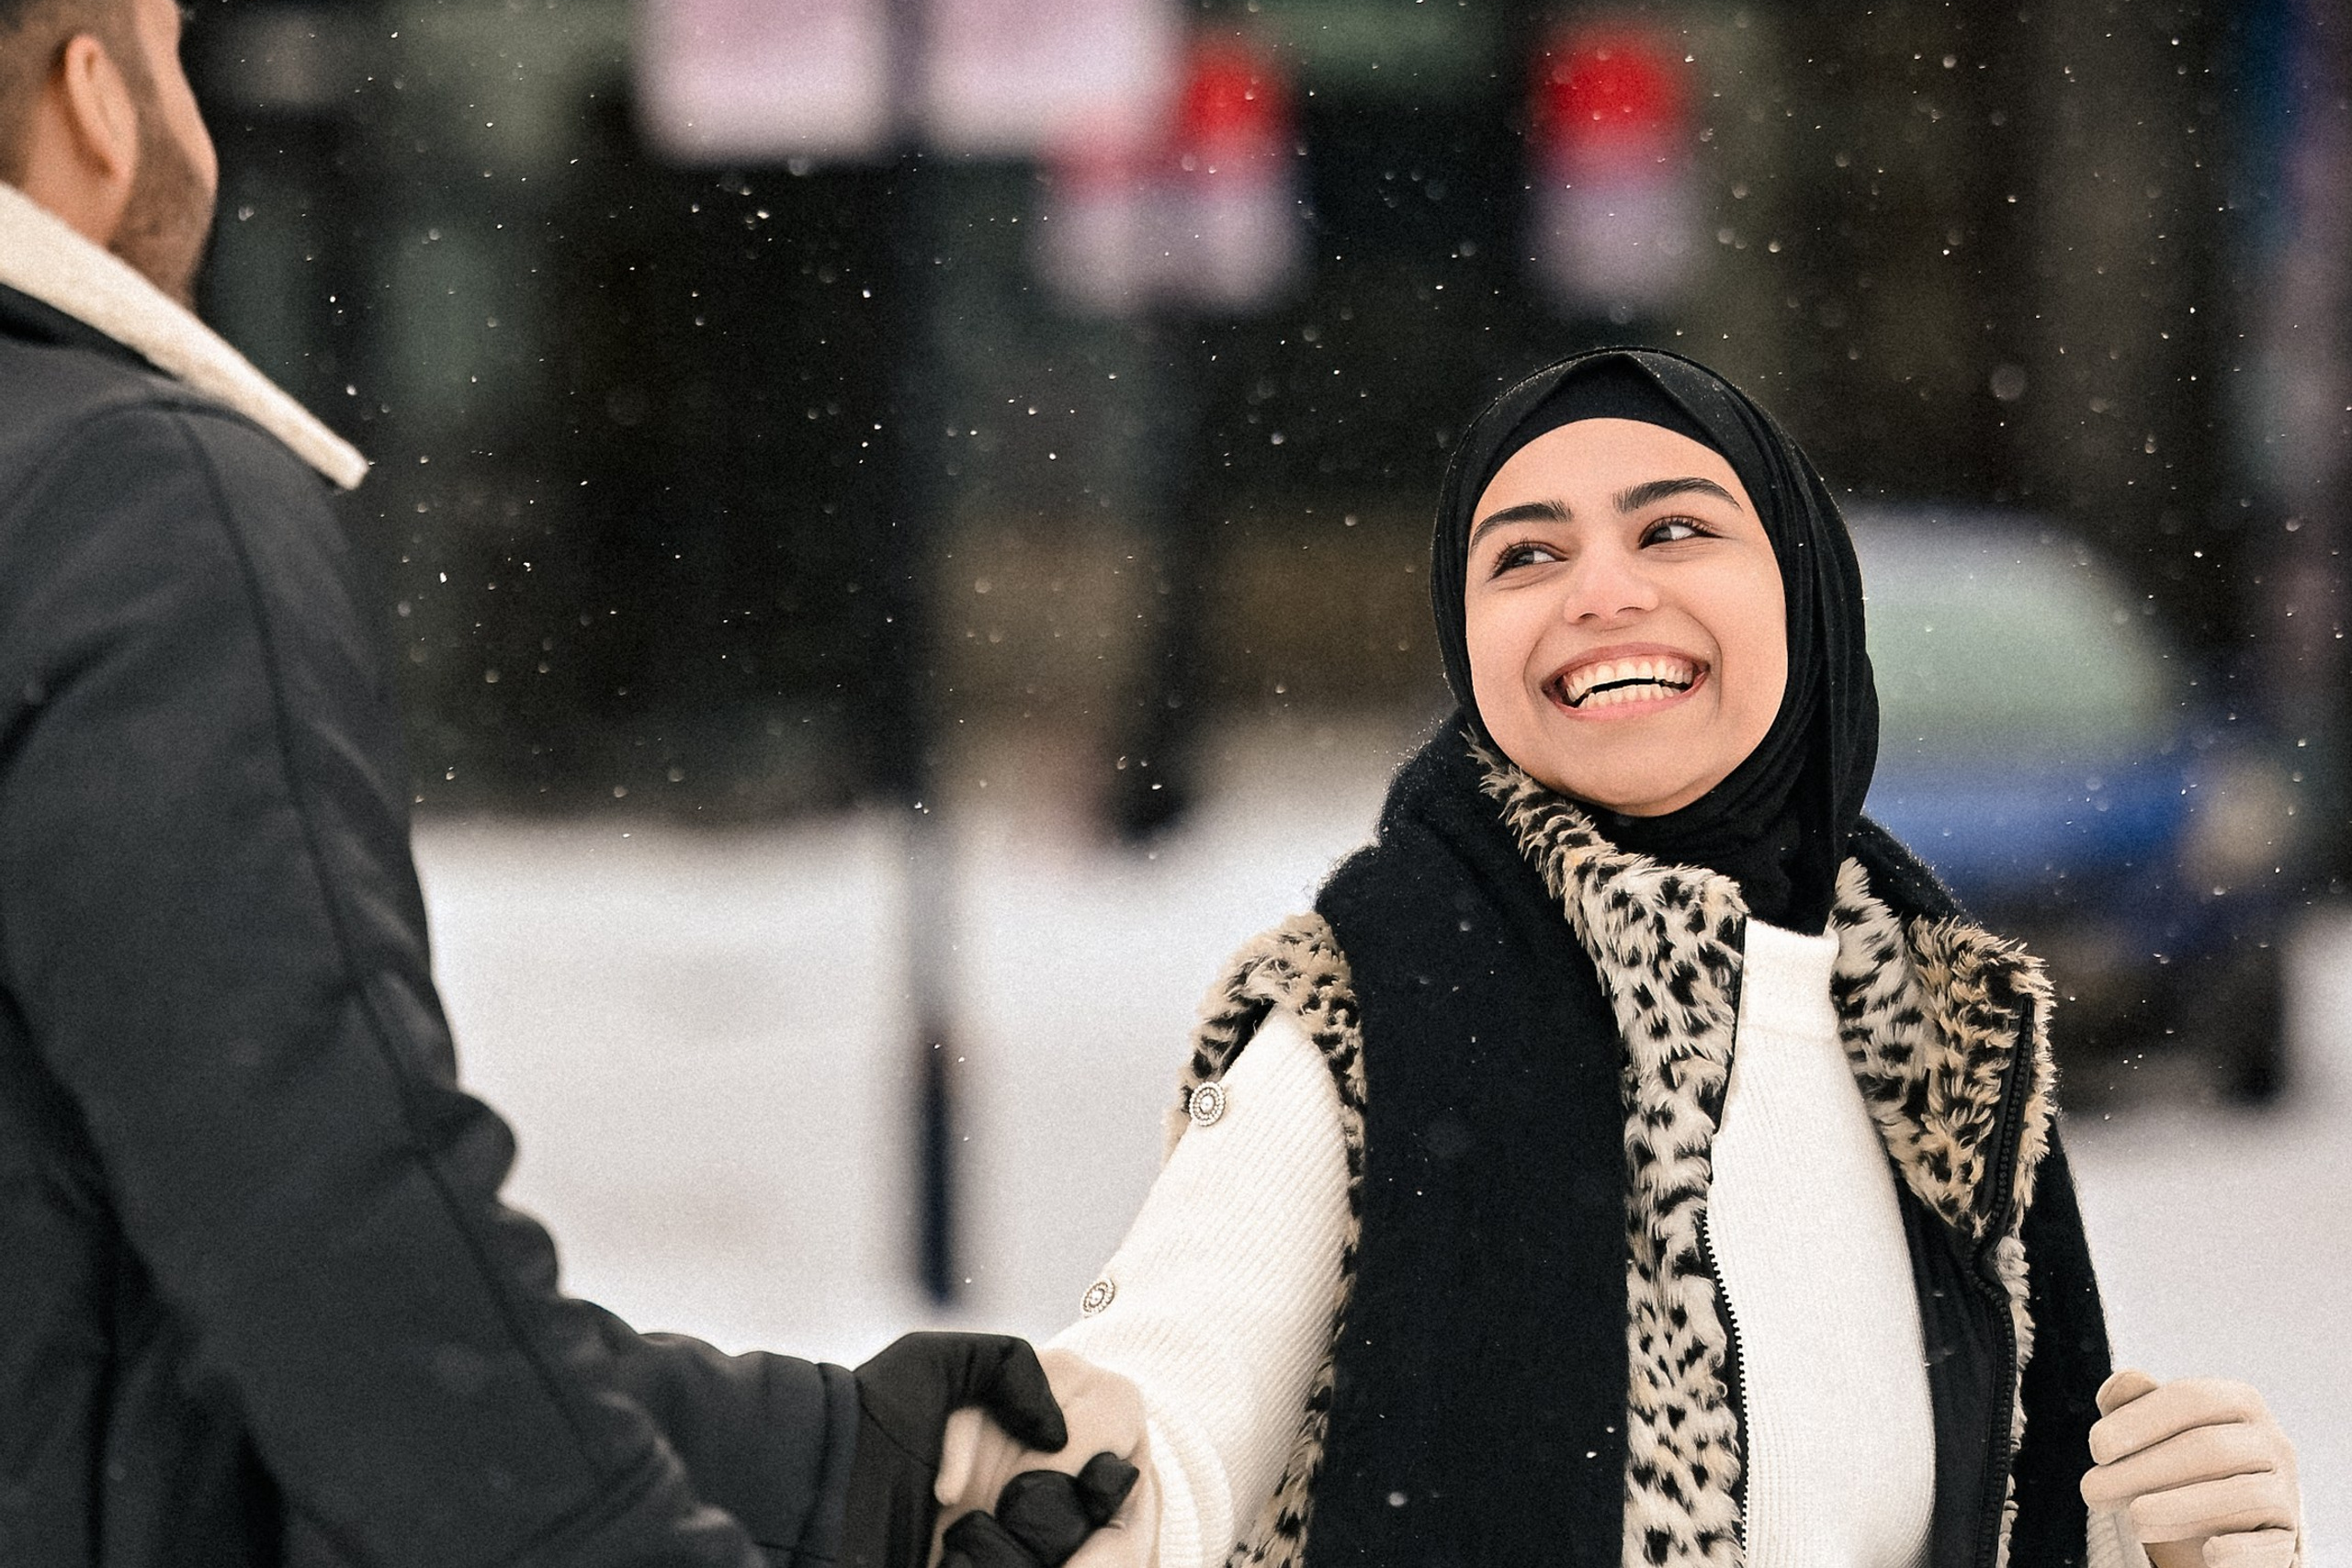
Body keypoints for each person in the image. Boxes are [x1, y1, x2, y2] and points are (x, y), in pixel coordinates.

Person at [0, 3, 1137, 1564]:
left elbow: (116, 1320)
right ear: (92, 101)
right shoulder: (124, 499)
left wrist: (826, 1467)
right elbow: (336, 1267)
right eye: (172, 44)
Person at [941, 348, 2308, 1567]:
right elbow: (1156, 1436)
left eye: (1674, 529)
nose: (1601, 590)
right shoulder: (1368, 1012)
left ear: (1805, 597)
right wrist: (1059, 1457)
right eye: (1524, 555)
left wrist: (2156, 1553)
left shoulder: (1941, 1051)